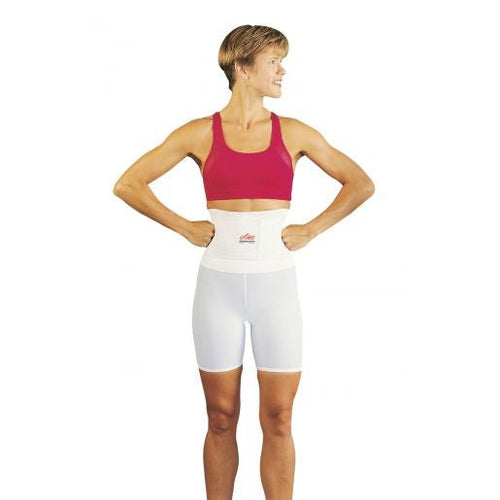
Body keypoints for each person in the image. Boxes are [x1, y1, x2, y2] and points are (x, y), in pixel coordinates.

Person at [113, 24, 374, 500]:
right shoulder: (199, 133)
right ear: (242, 68)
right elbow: (128, 184)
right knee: (220, 416)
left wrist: (312, 229)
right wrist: (184, 226)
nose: (282, 71)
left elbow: (360, 183)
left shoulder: (293, 132)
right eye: (274, 61)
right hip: (219, 287)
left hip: (276, 289)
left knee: (279, 417)